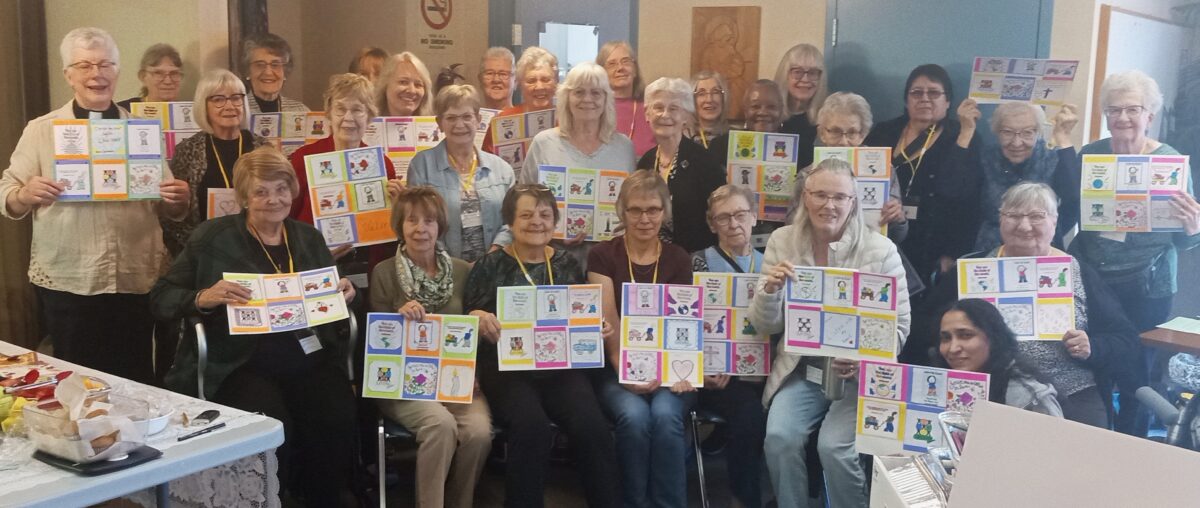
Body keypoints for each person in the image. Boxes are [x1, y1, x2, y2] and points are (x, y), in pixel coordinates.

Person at [150, 147, 357, 507]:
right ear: (244, 197)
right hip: (239, 360)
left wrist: (346, 292)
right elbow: (161, 296)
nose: (273, 200)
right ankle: (268, 500)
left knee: (335, 415)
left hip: (307, 355)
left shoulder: (308, 238)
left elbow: (331, 294)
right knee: (272, 425)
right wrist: (203, 297)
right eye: (261, 191)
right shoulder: (213, 237)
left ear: (292, 191)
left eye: (281, 189)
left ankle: (322, 497)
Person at [0, 27, 190, 384]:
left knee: (135, 377)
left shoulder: (141, 131)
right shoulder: (42, 130)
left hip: (134, 275)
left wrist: (179, 201)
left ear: (117, 71)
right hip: (70, 278)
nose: (96, 74)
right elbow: (6, 191)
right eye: (84, 65)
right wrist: (24, 194)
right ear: (68, 74)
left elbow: (166, 207)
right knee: (77, 381)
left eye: (105, 64)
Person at [750, 158, 910, 508]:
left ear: (854, 202)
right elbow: (766, 326)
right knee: (779, 437)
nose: (830, 205)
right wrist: (770, 291)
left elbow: (899, 328)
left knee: (834, 448)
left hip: (859, 377)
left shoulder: (881, 250)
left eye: (840, 197)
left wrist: (862, 360)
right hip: (802, 368)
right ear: (805, 197)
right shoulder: (782, 240)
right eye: (820, 195)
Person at [911, 182, 1139, 428]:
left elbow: (1125, 339)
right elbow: (924, 326)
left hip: (1071, 391)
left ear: (1054, 221)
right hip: (987, 390)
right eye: (1013, 215)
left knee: (1084, 448)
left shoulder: (1078, 272)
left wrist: (1092, 347)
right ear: (1000, 219)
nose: (1024, 226)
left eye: (1036, 216)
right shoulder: (971, 271)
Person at [463, 185, 620, 508]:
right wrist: (479, 317)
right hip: (506, 369)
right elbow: (467, 318)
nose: (536, 221)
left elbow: (581, 312)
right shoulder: (489, 265)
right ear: (510, 222)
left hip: (560, 367)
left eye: (545, 215)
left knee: (591, 424)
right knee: (531, 427)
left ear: (555, 221)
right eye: (526, 215)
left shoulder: (566, 262)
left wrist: (596, 327)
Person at [1069, 70, 1200, 435]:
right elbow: (1071, 212)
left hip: (1148, 284)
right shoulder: (1091, 155)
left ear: (1149, 115)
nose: (1123, 117)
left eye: (1132, 109)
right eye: (1114, 110)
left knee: (1137, 373)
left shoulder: (1170, 162)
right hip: (1095, 279)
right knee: (1095, 364)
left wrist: (1193, 228)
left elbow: (1184, 241)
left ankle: (1134, 441)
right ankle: (1095, 438)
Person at [371, 186, 491, 508]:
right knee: (440, 425)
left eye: (429, 220)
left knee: (479, 433)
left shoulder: (463, 271)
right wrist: (397, 319)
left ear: (440, 226)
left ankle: (459, 502)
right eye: (412, 220)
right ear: (400, 226)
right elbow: (377, 342)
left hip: (455, 381)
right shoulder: (384, 273)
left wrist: (474, 369)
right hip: (403, 385)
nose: (420, 228)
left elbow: (472, 332)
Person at [587, 171, 696, 508]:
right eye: (635, 210)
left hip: (670, 372)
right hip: (616, 368)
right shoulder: (602, 255)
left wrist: (681, 372)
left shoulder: (679, 258)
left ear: (665, 211)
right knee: (634, 418)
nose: (644, 218)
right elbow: (609, 318)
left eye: (653, 209)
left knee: (665, 416)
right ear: (622, 211)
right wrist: (626, 372)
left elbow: (683, 325)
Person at [863, 64, 982, 287]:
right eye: (917, 93)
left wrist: (952, 253)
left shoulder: (961, 134)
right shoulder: (884, 132)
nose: (925, 99)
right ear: (906, 99)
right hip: (885, 234)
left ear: (948, 101)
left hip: (933, 244)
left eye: (934, 93)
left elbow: (965, 198)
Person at [689, 184, 767, 508]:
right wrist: (701, 370)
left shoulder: (772, 264)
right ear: (712, 224)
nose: (733, 224)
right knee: (748, 414)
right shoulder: (697, 264)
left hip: (763, 373)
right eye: (723, 217)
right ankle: (743, 500)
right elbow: (683, 327)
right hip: (716, 377)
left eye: (740, 214)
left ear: (754, 217)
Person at [520, 62, 636, 266]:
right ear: (566, 98)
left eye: (596, 93)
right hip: (552, 259)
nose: (587, 99)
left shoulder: (624, 147)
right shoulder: (544, 143)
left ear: (606, 99)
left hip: (612, 260)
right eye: (579, 92)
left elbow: (631, 203)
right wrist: (552, 231)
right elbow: (522, 202)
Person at [165, 69, 271, 256]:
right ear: (203, 106)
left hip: (257, 248)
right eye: (218, 99)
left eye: (236, 98)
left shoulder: (264, 149)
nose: (229, 106)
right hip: (206, 252)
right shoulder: (188, 150)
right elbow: (173, 217)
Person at [408, 84, 516, 262]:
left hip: (494, 266)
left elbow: (512, 221)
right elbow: (417, 222)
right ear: (439, 123)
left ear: (478, 120)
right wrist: (452, 265)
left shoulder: (502, 169)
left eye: (467, 116)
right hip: (440, 267)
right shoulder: (421, 166)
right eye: (451, 118)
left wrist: (491, 257)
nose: (459, 125)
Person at [786, 92, 907, 244]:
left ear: (863, 134)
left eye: (852, 132)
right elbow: (791, 228)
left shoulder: (884, 171)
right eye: (835, 131)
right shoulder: (806, 175)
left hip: (869, 252)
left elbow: (897, 237)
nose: (843, 141)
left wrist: (899, 219)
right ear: (822, 133)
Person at [289, 73, 400, 226]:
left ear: (369, 116)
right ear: (329, 114)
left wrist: (397, 205)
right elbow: (288, 217)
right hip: (313, 242)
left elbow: (389, 224)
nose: (348, 117)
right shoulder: (304, 158)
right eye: (340, 109)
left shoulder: (383, 165)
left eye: (357, 110)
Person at [636, 77, 726, 253]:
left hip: (694, 257)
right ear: (647, 114)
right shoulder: (646, 161)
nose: (665, 115)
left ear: (685, 116)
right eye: (658, 107)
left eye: (674, 108)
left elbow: (719, 216)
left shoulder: (705, 161)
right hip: (650, 255)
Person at [975, 102, 1080, 252]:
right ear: (997, 132)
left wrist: (1047, 230)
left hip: (1042, 249)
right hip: (991, 249)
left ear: (1039, 132)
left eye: (1027, 133)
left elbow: (1074, 200)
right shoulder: (985, 158)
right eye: (1007, 132)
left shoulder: (1051, 158)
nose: (1017, 143)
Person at [935, 299, 1064, 417]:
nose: (953, 348)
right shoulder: (937, 392)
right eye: (946, 338)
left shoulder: (1028, 397)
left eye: (965, 335)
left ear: (994, 339)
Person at [481, 46, 558, 155]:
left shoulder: (568, 121)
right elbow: (487, 162)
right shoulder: (502, 121)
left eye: (546, 80)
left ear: (556, 82)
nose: (539, 87)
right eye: (531, 81)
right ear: (520, 84)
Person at [707, 79, 786, 165]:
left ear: (781, 110)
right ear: (745, 110)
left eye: (771, 107)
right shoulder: (721, 146)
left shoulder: (794, 146)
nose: (763, 112)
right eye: (756, 106)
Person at [597, 40, 655, 157]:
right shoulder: (594, 109)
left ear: (635, 70)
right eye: (612, 64)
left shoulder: (652, 108)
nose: (620, 68)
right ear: (601, 72)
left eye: (626, 61)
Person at [773, 43, 827, 169]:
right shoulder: (769, 115)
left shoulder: (827, 120)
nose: (805, 79)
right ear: (785, 75)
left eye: (813, 73)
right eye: (797, 72)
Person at [242, 33, 309, 113]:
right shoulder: (237, 110)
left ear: (285, 71)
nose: (268, 72)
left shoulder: (301, 111)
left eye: (275, 65)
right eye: (260, 65)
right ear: (248, 71)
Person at [117, 43, 183, 109]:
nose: (168, 81)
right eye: (158, 73)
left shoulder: (187, 111)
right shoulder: (122, 111)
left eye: (174, 73)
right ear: (143, 77)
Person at [377, 51, 434, 117]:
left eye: (418, 85)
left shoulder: (435, 123)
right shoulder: (369, 122)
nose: (412, 91)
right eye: (403, 82)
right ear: (385, 85)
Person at [689, 70, 730, 150]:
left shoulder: (734, 138)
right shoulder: (681, 137)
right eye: (701, 93)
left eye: (715, 92)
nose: (709, 99)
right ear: (692, 99)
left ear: (723, 98)